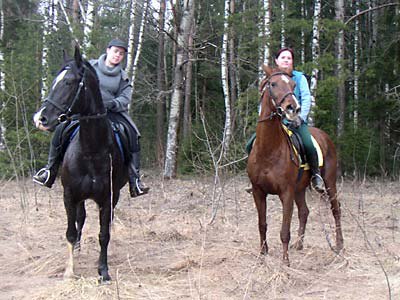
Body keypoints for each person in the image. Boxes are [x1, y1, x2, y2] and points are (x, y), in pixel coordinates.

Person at [33, 39, 150, 197]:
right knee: (61, 129)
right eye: (115, 51)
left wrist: (112, 104)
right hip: (85, 111)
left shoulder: (123, 76)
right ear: (108, 50)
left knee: (132, 134)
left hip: (112, 113)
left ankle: (135, 180)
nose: (118, 55)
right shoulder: (90, 67)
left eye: (121, 53)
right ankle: (49, 170)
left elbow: (125, 97)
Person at [246, 47, 325, 193]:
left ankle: (315, 175)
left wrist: (300, 118)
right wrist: (263, 119)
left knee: (308, 144)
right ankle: (254, 178)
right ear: (277, 60)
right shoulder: (270, 80)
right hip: (276, 123)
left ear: (292, 62)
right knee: (250, 144)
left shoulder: (299, 78)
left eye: (289, 58)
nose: (286, 60)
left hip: (295, 121)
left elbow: (306, 98)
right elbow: (263, 102)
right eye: (283, 57)